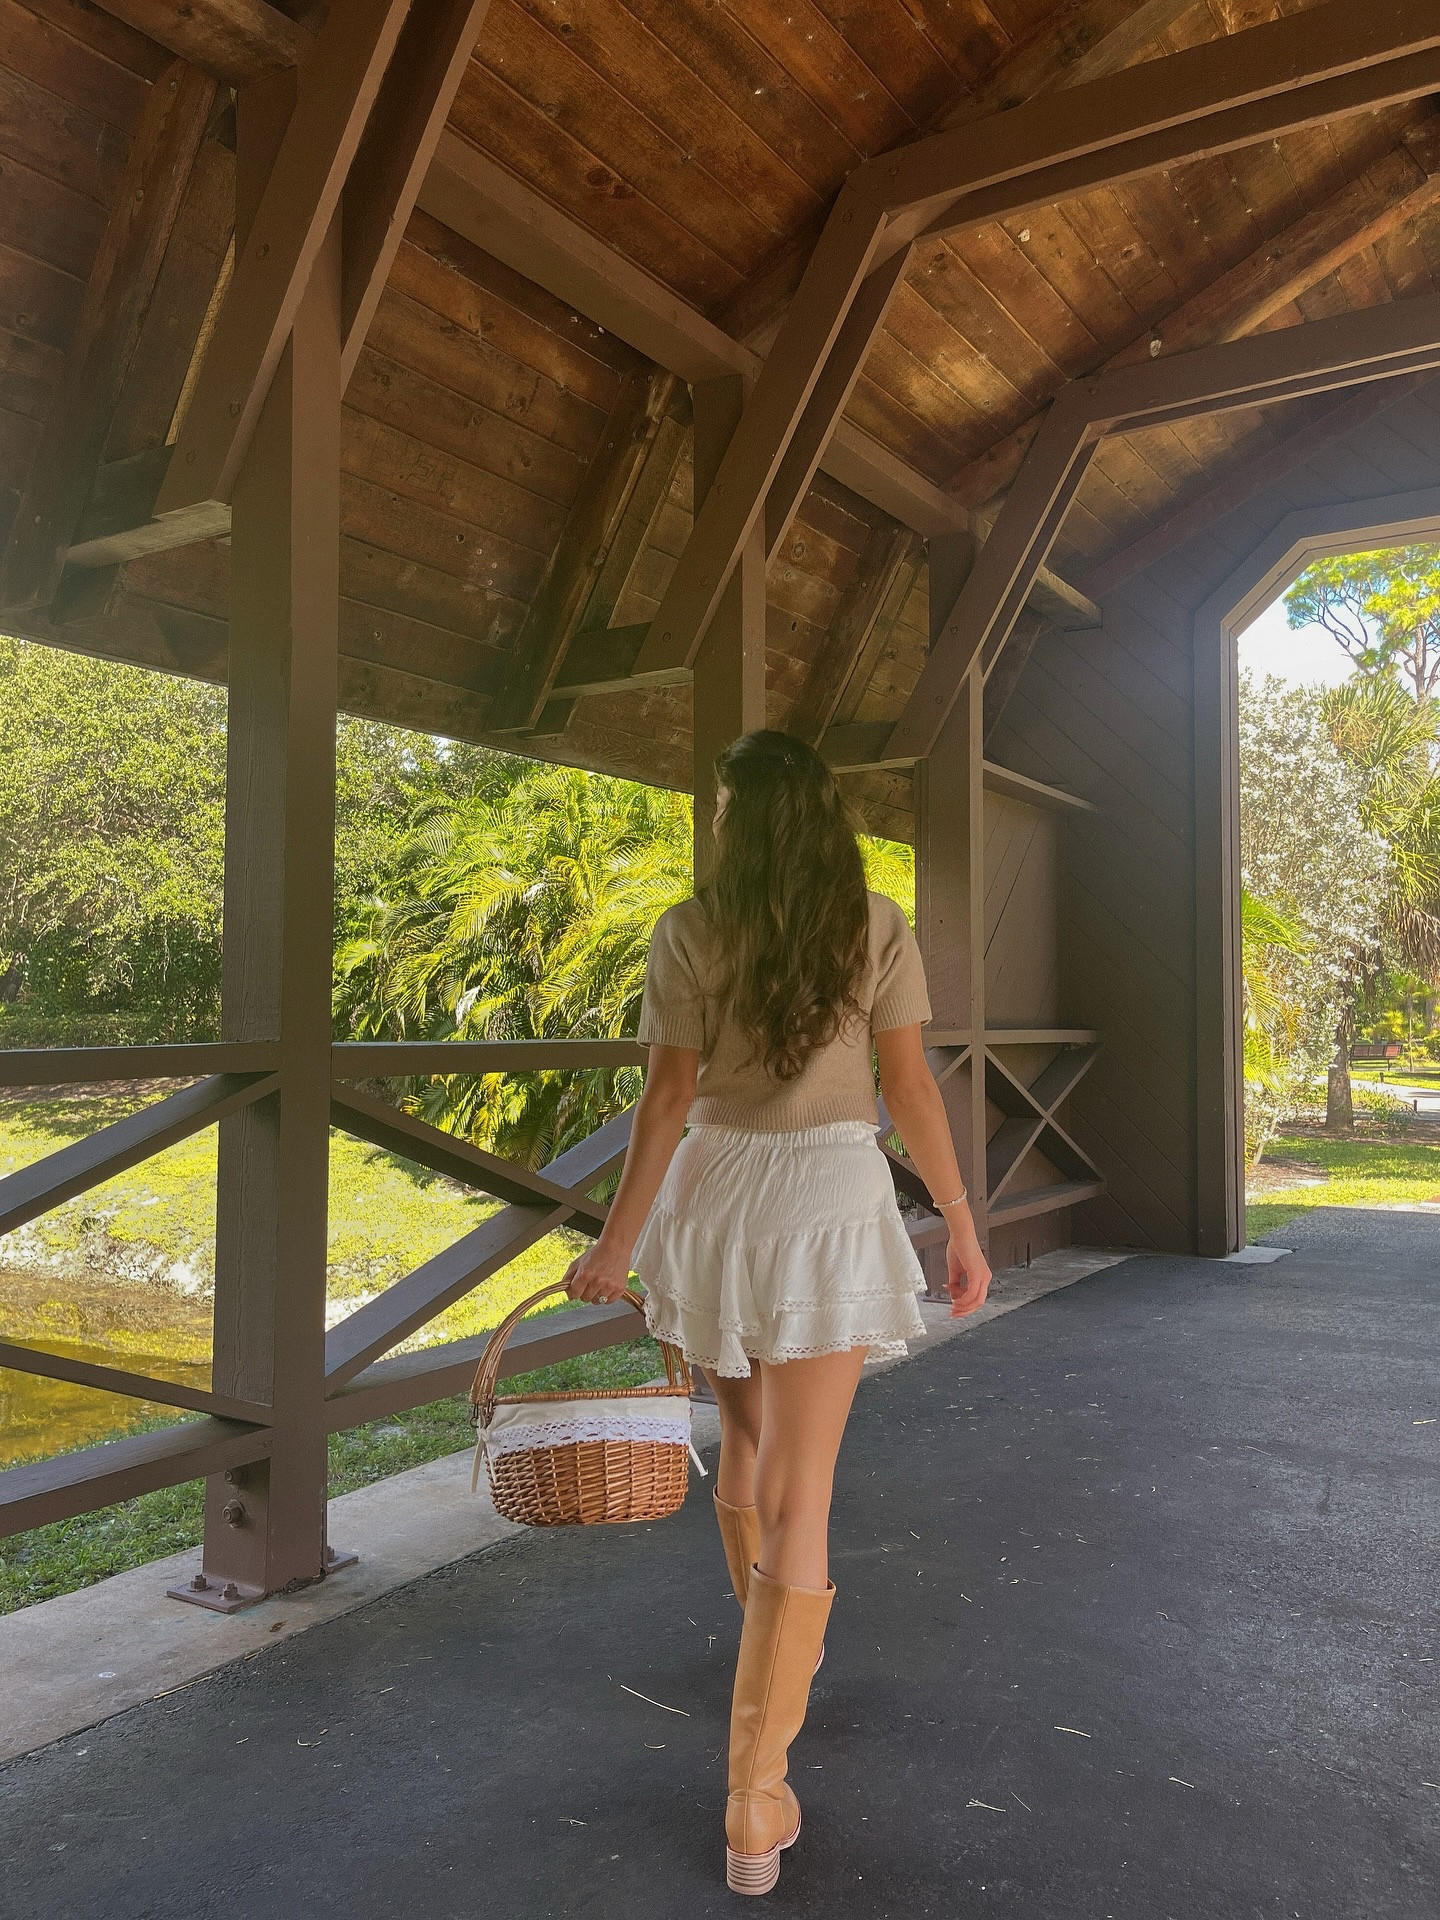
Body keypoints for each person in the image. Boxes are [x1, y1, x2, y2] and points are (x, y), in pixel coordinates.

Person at [562, 728, 991, 1896]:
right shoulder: (878, 924)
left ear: (738, 824)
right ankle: (756, 1794)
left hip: (715, 1197)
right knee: (808, 1491)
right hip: (828, 1199)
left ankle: (770, 1660)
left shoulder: (689, 931)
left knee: (743, 1446)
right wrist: (959, 1220)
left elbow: (665, 1101)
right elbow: (909, 1084)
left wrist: (615, 1244)